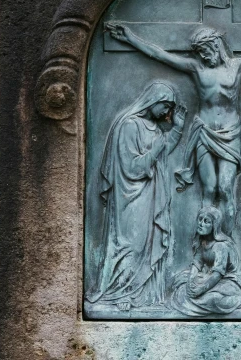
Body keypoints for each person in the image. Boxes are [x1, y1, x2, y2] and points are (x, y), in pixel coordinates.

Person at [105, 23, 241, 231]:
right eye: (199, 52)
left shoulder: (237, 67)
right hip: (204, 132)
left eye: (205, 51)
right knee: (209, 189)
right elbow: (160, 55)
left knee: (227, 188)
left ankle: (226, 247)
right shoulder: (196, 68)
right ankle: (203, 250)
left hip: (230, 133)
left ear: (216, 46)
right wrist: (130, 38)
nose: (203, 56)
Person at [86, 82, 186, 311]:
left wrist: (177, 129)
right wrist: (156, 149)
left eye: (170, 108)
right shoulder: (129, 125)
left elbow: (162, 151)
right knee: (132, 244)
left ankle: (141, 294)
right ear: (153, 100)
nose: (167, 112)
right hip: (129, 197)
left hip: (150, 195)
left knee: (147, 243)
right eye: (165, 106)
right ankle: (119, 290)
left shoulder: (156, 128)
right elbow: (132, 167)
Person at [169, 206, 241, 316]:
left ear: (214, 226)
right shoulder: (202, 241)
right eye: (200, 219)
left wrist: (200, 290)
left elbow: (217, 274)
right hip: (209, 277)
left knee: (213, 299)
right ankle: (196, 299)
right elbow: (197, 264)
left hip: (229, 281)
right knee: (181, 287)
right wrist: (190, 283)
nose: (201, 224)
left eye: (207, 221)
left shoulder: (221, 246)